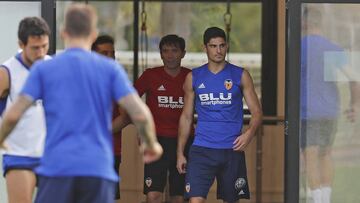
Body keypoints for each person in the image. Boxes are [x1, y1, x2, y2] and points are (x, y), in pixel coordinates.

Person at [0, 3, 162, 203]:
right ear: (93, 34)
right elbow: (139, 113)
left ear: (63, 33)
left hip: (58, 167)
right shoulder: (110, 69)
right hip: (98, 168)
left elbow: (14, 114)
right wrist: (150, 143)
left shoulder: (44, 70)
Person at [176, 27, 262, 203]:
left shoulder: (241, 75)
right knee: (195, 201)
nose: (218, 50)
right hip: (202, 149)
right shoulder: (194, 77)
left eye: (222, 45)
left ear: (227, 46)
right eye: (213, 46)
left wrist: (249, 133)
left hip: (232, 149)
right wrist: (180, 152)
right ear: (205, 47)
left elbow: (257, 112)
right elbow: (186, 117)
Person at [113, 34, 193, 203]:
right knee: (153, 195)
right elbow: (129, 102)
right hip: (156, 141)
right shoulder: (150, 75)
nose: (170, 55)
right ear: (161, 54)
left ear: (183, 53)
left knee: (178, 197)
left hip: (184, 142)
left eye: (174, 51)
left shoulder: (192, 77)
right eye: (165, 51)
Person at [300, 7, 359, 203]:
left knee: (310, 155)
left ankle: (317, 199)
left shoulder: (300, 47)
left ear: (305, 23)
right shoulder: (332, 48)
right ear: (321, 23)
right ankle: (325, 199)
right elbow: (353, 77)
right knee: (325, 154)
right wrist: (355, 104)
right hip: (330, 110)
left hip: (308, 111)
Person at [0, 16, 50, 203]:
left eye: (44, 46)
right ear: (21, 44)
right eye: (35, 48)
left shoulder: (51, 67)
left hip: (49, 154)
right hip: (18, 154)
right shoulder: (6, 72)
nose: (41, 52)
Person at [91, 34, 123, 201]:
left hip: (111, 150)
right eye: (105, 53)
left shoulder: (117, 80)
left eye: (112, 53)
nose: (110, 58)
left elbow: (126, 117)